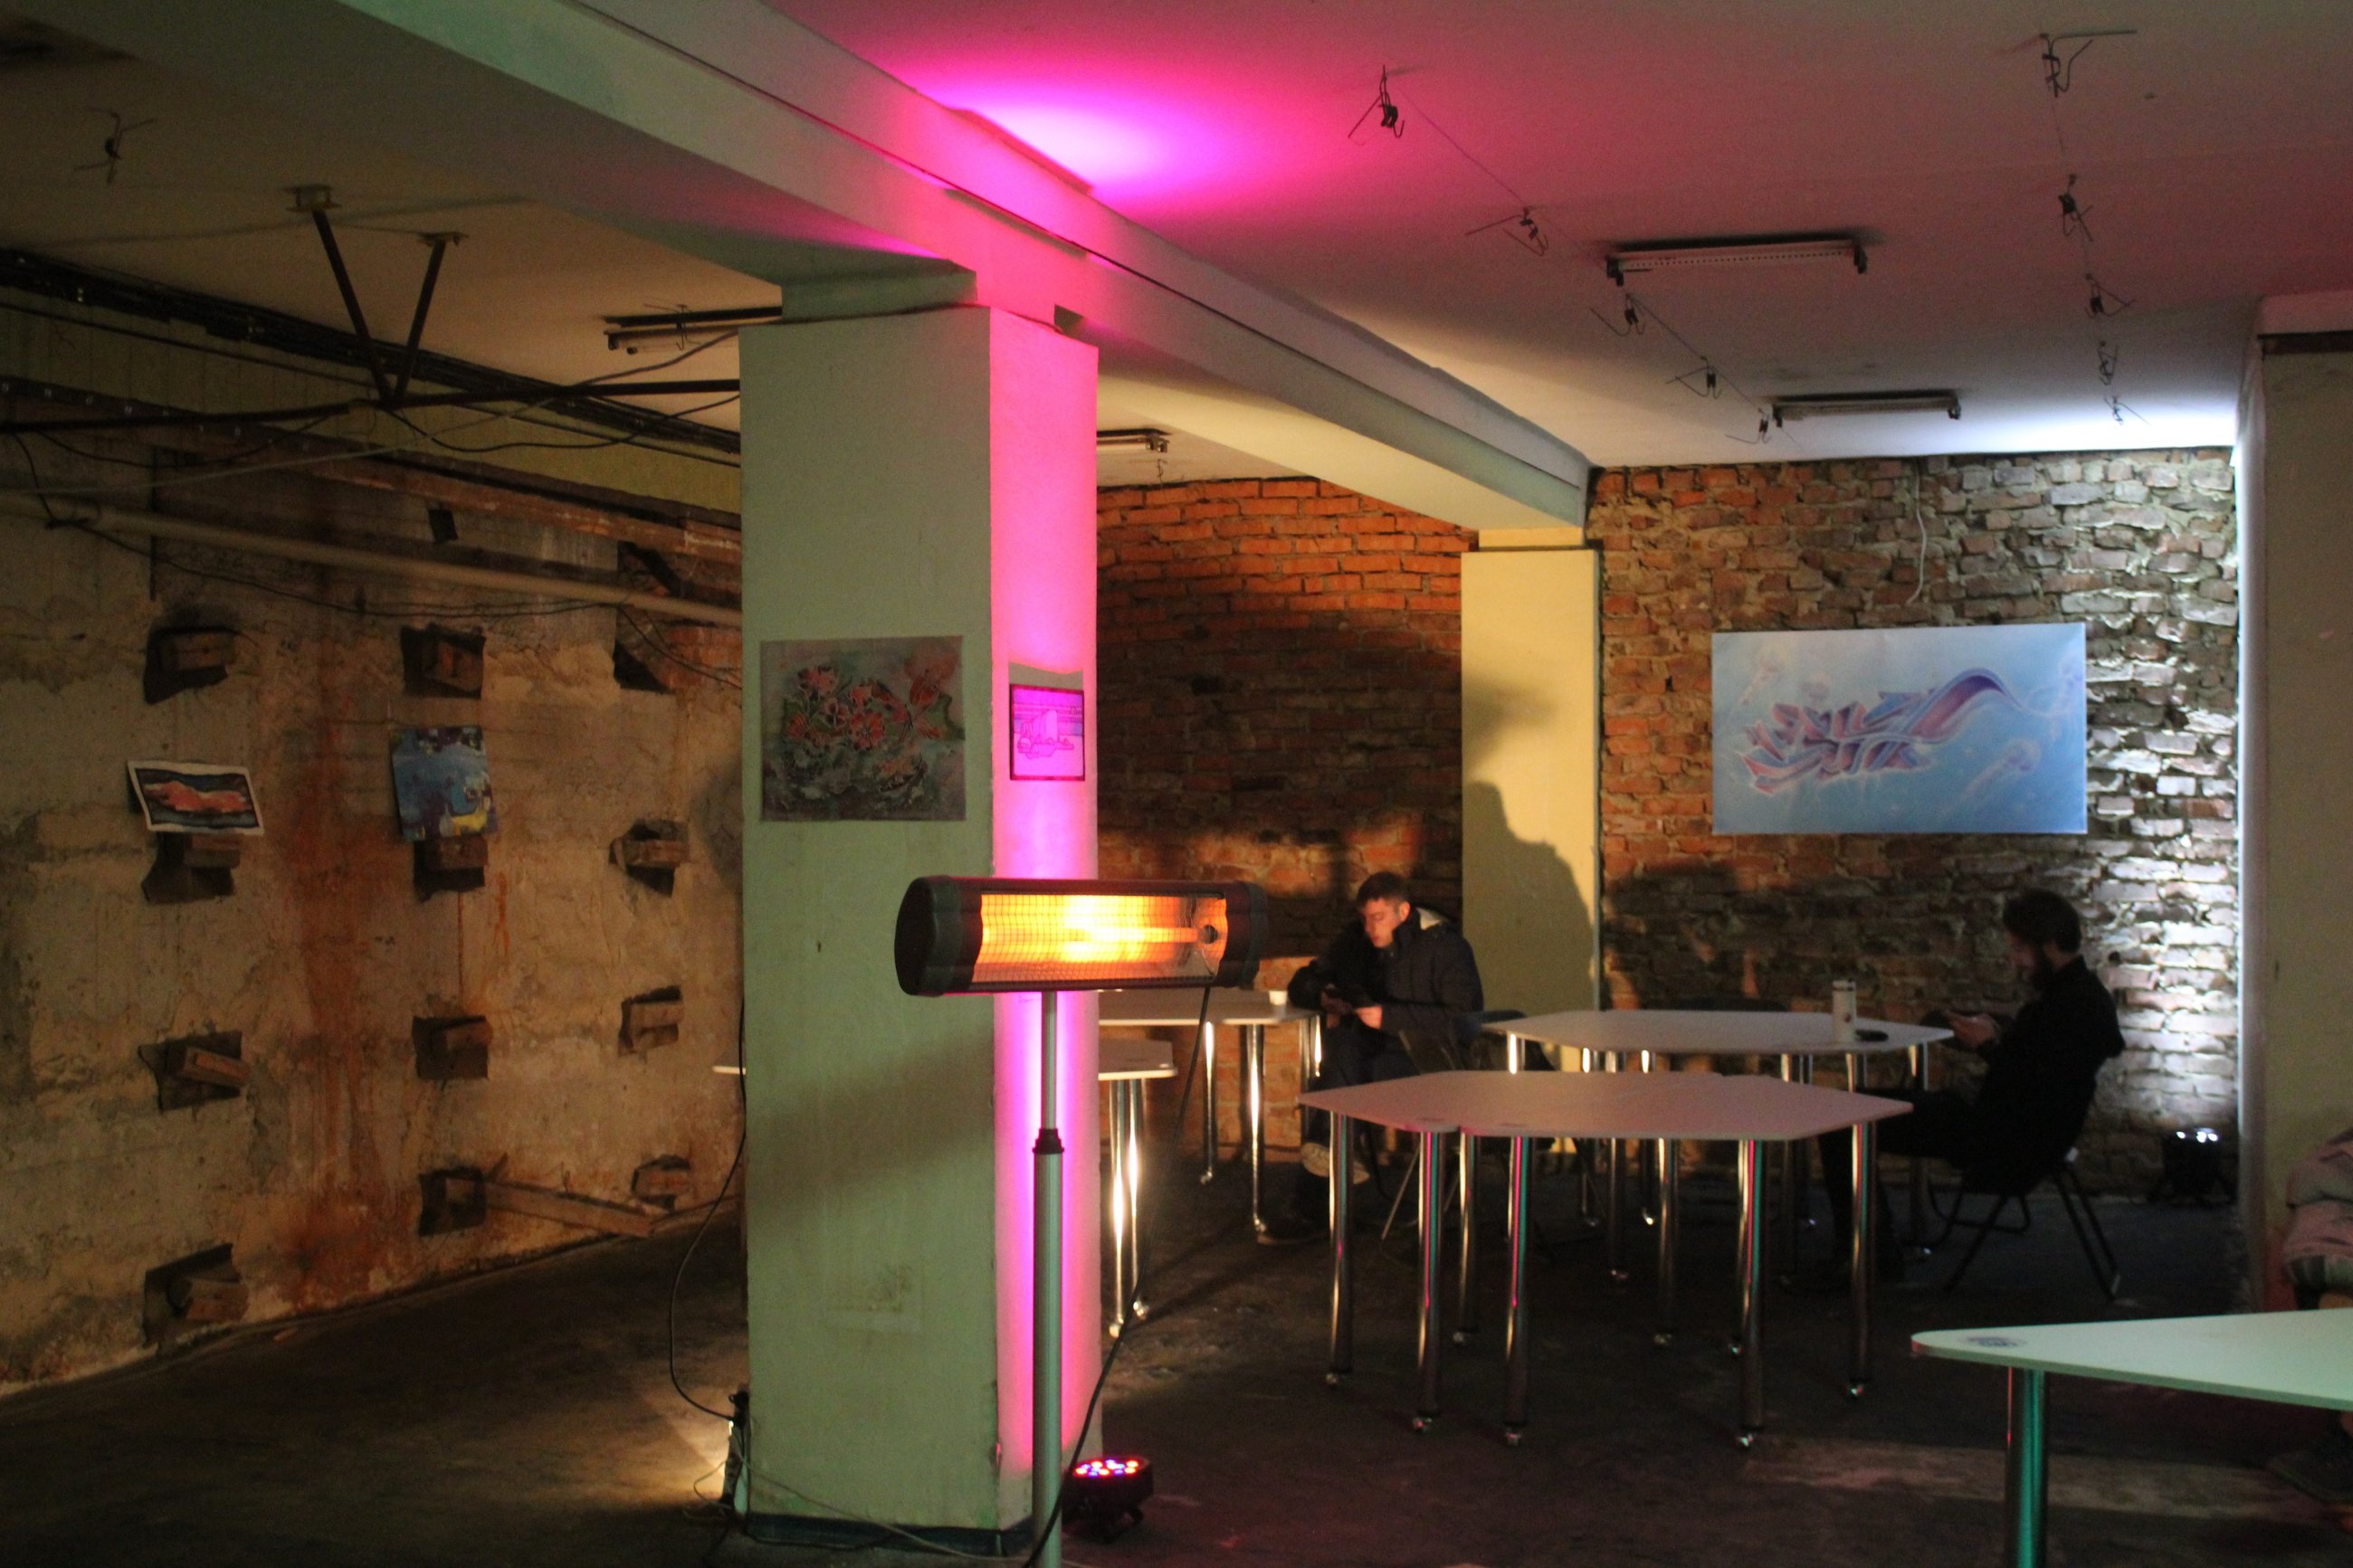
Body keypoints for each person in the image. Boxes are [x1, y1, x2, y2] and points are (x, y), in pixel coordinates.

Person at [1820, 888, 2126, 1278]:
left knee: (1842, 1121)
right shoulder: (2081, 996)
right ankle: (1872, 1250)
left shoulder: (2070, 1005)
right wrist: (1998, 1036)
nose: (2015, 960)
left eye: (2020, 949)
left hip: (2002, 1138)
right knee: (1850, 1109)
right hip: (2016, 1130)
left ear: (2049, 944)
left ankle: (1871, 1256)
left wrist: (1988, 1045)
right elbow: (2042, 1065)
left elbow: (2031, 1084)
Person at [1259, 871, 1483, 1243]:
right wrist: (1324, 996)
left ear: (1403, 912)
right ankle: (1336, 1156)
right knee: (1343, 1057)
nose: (1370, 928)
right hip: (1371, 1058)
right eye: (1365, 918)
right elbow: (1302, 981)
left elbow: (1464, 1018)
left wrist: (1389, 1018)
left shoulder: (1444, 947)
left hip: (1429, 1060)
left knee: (1338, 1081)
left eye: (1378, 918)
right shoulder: (1356, 941)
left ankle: (1316, 1188)